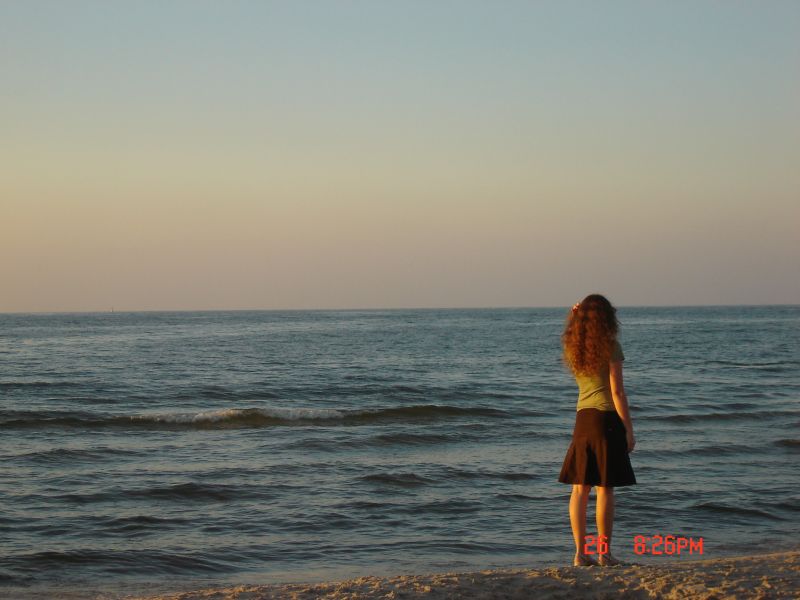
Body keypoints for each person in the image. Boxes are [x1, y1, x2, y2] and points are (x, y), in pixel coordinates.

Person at [558, 294, 636, 567]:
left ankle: (580, 554)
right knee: (605, 489)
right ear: (607, 318)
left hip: (583, 419)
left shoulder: (573, 347)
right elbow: (616, 391)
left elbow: (571, 329)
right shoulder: (611, 347)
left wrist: (574, 315)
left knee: (580, 490)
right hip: (606, 420)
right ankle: (604, 553)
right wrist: (628, 427)